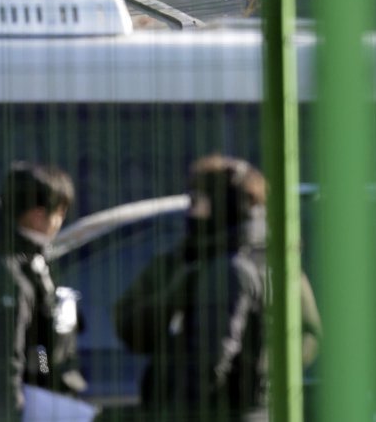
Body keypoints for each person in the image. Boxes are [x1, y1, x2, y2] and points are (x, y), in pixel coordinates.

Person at [114, 155, 321, 422]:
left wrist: (260, 375)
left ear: (222, 205)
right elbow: (129, 324)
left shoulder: (238, 265)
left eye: (197, 201)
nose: (191, 212)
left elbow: (210, 360)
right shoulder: (192, 259)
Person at [0, 161, 88, 421]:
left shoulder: (32, 260)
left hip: (38, 397)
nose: (59, 224)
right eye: (59, 214)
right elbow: (7, 360)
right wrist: (16, 409)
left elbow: (40, 348)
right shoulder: (7, 273)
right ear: (38, 215)